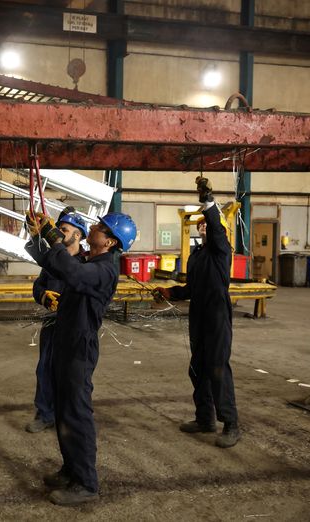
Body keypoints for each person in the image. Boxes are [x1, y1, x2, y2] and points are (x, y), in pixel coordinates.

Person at [25, 209, 137, 506]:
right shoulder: (90, 260)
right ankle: (70, 469)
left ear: (111, 242)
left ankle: (86, 483)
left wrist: (52, 236)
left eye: (101, 226)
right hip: (66, 340)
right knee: (63, 410)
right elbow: (56, 265)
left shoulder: (104, 269)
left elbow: (71, 273)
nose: (95, 227)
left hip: (79, 347)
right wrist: (37, 235)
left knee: (76, 413)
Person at [153, 176, 240, 449]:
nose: (203, 226)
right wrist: (169, 292)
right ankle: (204, 418)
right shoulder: (198, 256)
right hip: (199, 314)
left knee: (217, 367)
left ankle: (231, 423)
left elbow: (216, 227)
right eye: (199, 223)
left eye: (207, 223)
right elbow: (191, 287)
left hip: (216, 314)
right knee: (197, 368)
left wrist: (208, 203)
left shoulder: (221, 250)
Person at [26, 207, 89, 433]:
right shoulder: (53, 259)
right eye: (58, 230)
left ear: (78, 235)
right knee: (45, 368)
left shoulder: (86, 264)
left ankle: (70, 415)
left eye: (64, 230)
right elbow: (38, 285)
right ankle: (45, 413)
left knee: (73, 374)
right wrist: (43, 295)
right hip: (52, 324)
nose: (60, 234)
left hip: (75, 327)